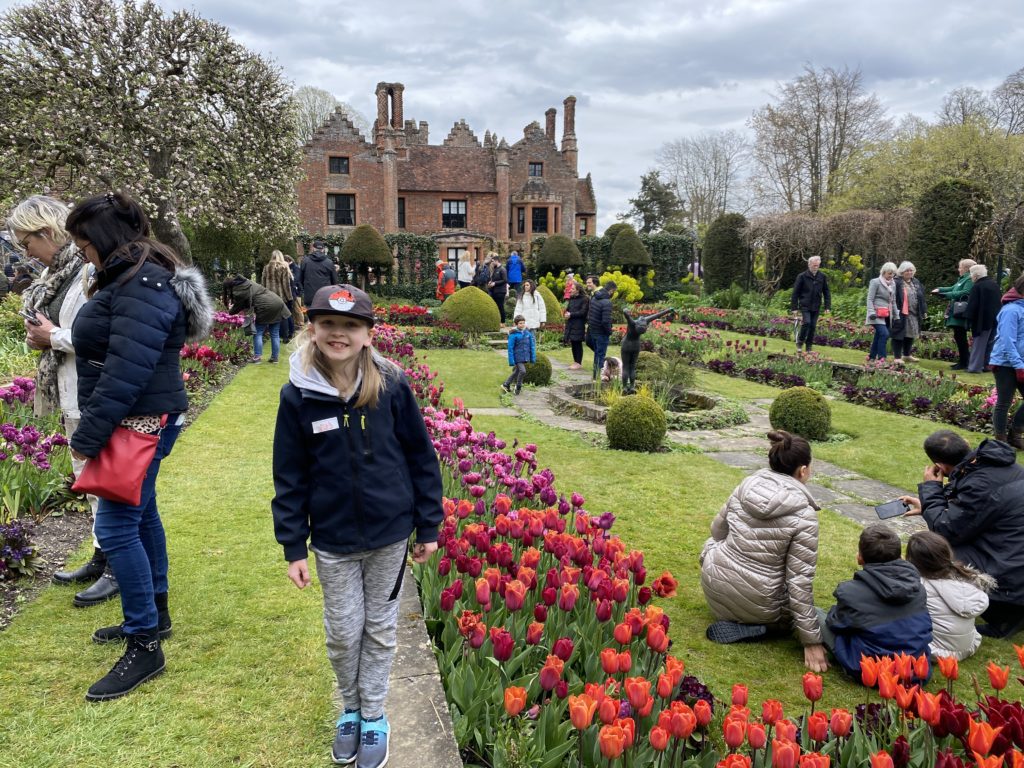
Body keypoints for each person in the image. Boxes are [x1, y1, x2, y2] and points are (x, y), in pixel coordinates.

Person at [271, 283, 442, 768]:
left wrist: (428, 525)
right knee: (344, 631)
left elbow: (421, 458)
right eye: (328, 324)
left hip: (390, 534)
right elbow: (289, 474)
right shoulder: (298, 395)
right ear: (312, 328)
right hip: (333, 539)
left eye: (350, 326)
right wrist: (293, 546)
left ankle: (375, 715)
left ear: (368, 334)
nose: (338, 334)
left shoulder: (390, 386)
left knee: (381, 629)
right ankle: (351, 708)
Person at [66, 191, 213, 701]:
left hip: (139, 417)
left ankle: (144, 644)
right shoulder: (137, 274)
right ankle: (156, 613)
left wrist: (88, 439)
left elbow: (128, 371)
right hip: (142, 415)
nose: (82, 251)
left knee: (116, 524)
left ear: (103, 238)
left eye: (84, 242)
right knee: (141, 513)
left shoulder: (140, 281)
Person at [9, 196, 112, 606]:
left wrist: (52, 336)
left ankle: (117, 567)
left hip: (93, 392)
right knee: (89, 483)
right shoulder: (55, 276)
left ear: (47, 231)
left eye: (26, 241)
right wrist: (43, 334)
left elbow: (101, 336)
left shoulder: (90, 271)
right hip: (69, 391)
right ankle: (102, 556)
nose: (25, 252)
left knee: (107, 485)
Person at [700, 430, 829, 672]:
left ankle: (739, 611)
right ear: (803, 470)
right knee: (793, 604)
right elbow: (799, 582)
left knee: (712, 544)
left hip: (715, 588)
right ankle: (762, 628)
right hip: (763, 607)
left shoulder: (745, 485)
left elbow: (717, 532)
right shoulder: (805, 516)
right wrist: (812, 641)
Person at [900, 430, 1024, 638]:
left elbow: (946, 529)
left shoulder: (979, 482)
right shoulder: (999, 465)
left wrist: (932, 488)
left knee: (932, 549)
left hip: (1012, 576)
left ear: (940, 466)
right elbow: (974, 512)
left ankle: (1004, 615)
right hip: (1014, 551)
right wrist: (928, 507)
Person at [820, 525, 932, 680]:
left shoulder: (850, 592)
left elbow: (835, 623)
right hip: (914, 670)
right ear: (899, 557)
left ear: (860, 557)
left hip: (873, 671)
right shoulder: (918, 588)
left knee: (814, 614)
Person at [905, 530, 992, 660]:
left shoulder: (919, 585)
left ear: (912, 560)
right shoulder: (963, 578)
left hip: (936, 651)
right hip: (969, 646)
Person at [988, 272, 1024, 447]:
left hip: (1020, 363)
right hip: (1005, 363)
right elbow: (1007, 341)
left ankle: (1015, 434)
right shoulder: (1011, 310)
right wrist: (1018, 366)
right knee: (1004, 401)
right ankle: (1000, 440)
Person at [225, 274, 290, 363]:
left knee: (258, 333)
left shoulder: (239, 290)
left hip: (265, 306)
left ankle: (257, 357)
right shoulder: (247, 282)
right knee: (275, 334)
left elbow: (238, 306)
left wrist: (229, 312)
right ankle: (275, 358)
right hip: (277, 302)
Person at [933, 259, 976, 370]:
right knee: (959, 336)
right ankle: (963, 361)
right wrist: (940, 289)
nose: (958, 269)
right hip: (956, 313)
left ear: (966, 268)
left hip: (960, 313)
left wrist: (946, 295)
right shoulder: (962, 279)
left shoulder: (969, 279)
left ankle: (964, 362)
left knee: (960, 337)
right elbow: (953, 288)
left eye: (960, 267)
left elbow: (965, 293)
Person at [964, 264, 1001, 374]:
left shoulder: (977, 286)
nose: (970, 277)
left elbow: (972, 305)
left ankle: (974, 367)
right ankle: (987, 365)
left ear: (976, 275)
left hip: (981, 320)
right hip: (995, 319)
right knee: (990, 344)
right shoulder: (994, 285)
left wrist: (968, 319)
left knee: (979, 344)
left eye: (971, 274)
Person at [790, 255, 831, 354]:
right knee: (807, 322)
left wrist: (827, 306)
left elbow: (826, 292)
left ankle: (809, 346)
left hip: (816, 306)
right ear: (809, 265)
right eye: (814, 265)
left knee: (812, 326)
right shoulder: (802, 276)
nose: (815, 267)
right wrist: (794, 308)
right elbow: (795, 293)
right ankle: (800, 341)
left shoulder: (822, 276)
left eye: (817, 265)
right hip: (805, 305)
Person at [890, 261, 927, 363]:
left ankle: (907, 355)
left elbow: (921, 297)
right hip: (900, 313)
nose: (910, 272)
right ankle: (897, 357)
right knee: (898, 334)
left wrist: (924, 310)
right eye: (907, 270)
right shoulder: (897, 282)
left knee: (910, 334)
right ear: (902, 271)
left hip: (913, 313)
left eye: (911, 270)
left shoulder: (915, 282)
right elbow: (892, 297)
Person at [866, 262, 898, 362]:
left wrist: (896, 315)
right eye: (889, 273)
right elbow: (870, 299)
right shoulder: (875, 282)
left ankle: (871, 357)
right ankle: (882, 358)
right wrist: (871, 312)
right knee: (884, 334)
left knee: (879, 335)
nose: (891, 276)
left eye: (893, 274)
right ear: (883, 272)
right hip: (876, 314)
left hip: (887, 314)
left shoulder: (893, 284)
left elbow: (893, 301)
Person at [262, 250, 295, 343]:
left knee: (272, 317)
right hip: (280, 296)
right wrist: (289, 298)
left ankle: (272, 336)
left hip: (269, 296)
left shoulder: (266, 267)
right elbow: (286, 285)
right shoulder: (283, 267)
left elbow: (263, 283)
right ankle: (285, 337)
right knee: (283, 316)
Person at [586, 280, 616, 380]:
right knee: (600, 355)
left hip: (593, 331)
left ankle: (595, 377)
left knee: (597, 355)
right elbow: (605, 321)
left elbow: (590, 315)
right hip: (601, 333)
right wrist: (609, 332)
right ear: (611, 291)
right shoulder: (607, 302)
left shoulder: (594, 297)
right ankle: (598, 378)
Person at [501, 315, 535, 395]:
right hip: (517, 357)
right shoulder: (513, 334)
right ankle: (518, 386)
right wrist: (511, 360)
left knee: (516, 371)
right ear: (516, 324)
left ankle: (506, 384)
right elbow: (510, 348)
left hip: (525, 356)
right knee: (523, 371)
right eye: (520, 323)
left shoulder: (527, 333)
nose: (522, 325)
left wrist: (532, 358)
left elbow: (532, 346)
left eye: (523, 323)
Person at [299, 240, 339, 306]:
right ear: (323, 250)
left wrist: (304, 291)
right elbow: (334, 281)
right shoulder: (329, 262)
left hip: (310, 296)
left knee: (311, 315)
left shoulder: (305, 261)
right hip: (325, 296)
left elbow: (300, 279)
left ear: (313, 248)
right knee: (324, 315)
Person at [562, 280, 589, 370]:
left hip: (579, 324)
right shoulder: (572, 298)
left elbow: (583, 312)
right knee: (573, 342)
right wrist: (566, 314)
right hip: (571, 323)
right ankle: (575, 361)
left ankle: (578, 362)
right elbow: (569, 309)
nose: (570, 290)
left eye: (573, 289)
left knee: (577, 343)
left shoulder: (585, 299)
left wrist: (571, 314)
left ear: (578, 290)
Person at [485, 254, 508, 323]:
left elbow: (505, 280)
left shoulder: (502, 269)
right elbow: (494, 278)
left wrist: (495, 283)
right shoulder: (495, 269)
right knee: (496, 306)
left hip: (501, 291)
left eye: (493, 261)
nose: (492, 263)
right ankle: (498, 321)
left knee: (500, 306)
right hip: (495, 291)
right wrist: (491, 282)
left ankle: (503, 322)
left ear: (496, 261)